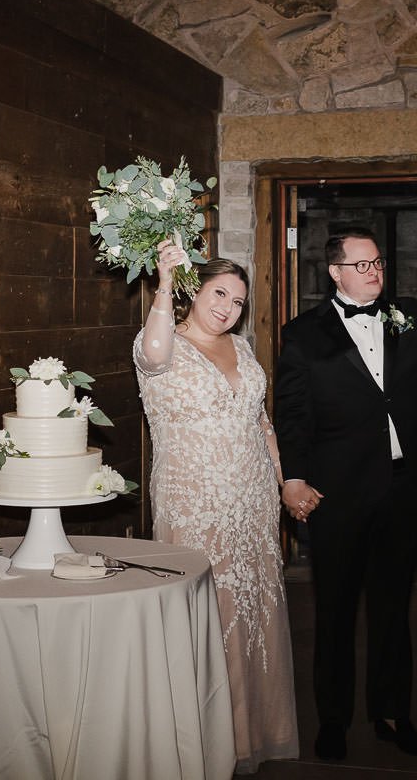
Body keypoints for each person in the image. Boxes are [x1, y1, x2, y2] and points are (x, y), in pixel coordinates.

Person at [274, 228, 417, 761]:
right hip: (338, 495)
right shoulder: (302, 334)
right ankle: (333, 721)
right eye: (362, 265)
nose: (374, 271)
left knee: (393, 610)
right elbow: (293, 415)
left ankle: (393, 715)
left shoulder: (409, 315)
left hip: (402, 491)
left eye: (377, 262)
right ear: (334, 272)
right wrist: (293, 478)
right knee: (333, 610)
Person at [133, 242, 299, 773]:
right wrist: (164, 278)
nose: (228, 307)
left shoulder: (243, 349)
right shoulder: (160, 343)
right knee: (208, 619)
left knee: (254, 616)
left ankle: (254, 734)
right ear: (193, 293)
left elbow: (261, 423)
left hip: (253, 503)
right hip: (195, 503)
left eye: (238, 301)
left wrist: (284, 481)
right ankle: (200, 744)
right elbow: (153, 356)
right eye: (219, 293)